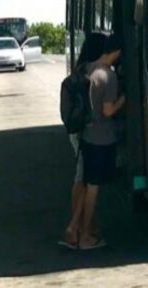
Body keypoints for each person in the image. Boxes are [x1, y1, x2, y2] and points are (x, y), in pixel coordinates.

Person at [62, 33, 125, 250]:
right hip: (101, 138)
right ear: (116, 52)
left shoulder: (86, 67)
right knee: (93, 187)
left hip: (85, 135)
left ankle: (75, 227)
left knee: (85, 181)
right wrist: (124, 99)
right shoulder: (108, 76)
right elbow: (108, 111)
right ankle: (85, 234)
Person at [60, 32, 105, 249]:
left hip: (75, 130)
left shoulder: (79, 70)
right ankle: (75, 227)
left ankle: (82, 225)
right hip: (89, 130)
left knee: (81, 177)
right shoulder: (96, 72)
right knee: (86, 179)